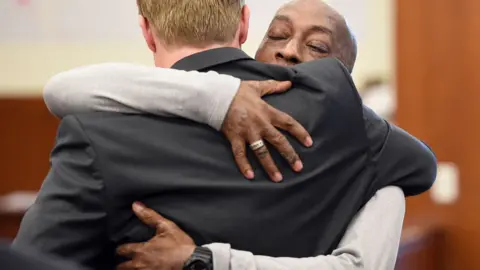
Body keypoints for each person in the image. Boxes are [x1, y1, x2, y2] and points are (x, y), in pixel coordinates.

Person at [13, 1, 437, 270]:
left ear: (145, 30)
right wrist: (222, 95)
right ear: (245, 26)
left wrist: (205, 260)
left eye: (319, 48)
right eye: (279, 35)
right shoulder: (347, 125)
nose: (289, 51)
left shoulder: (98, 132)